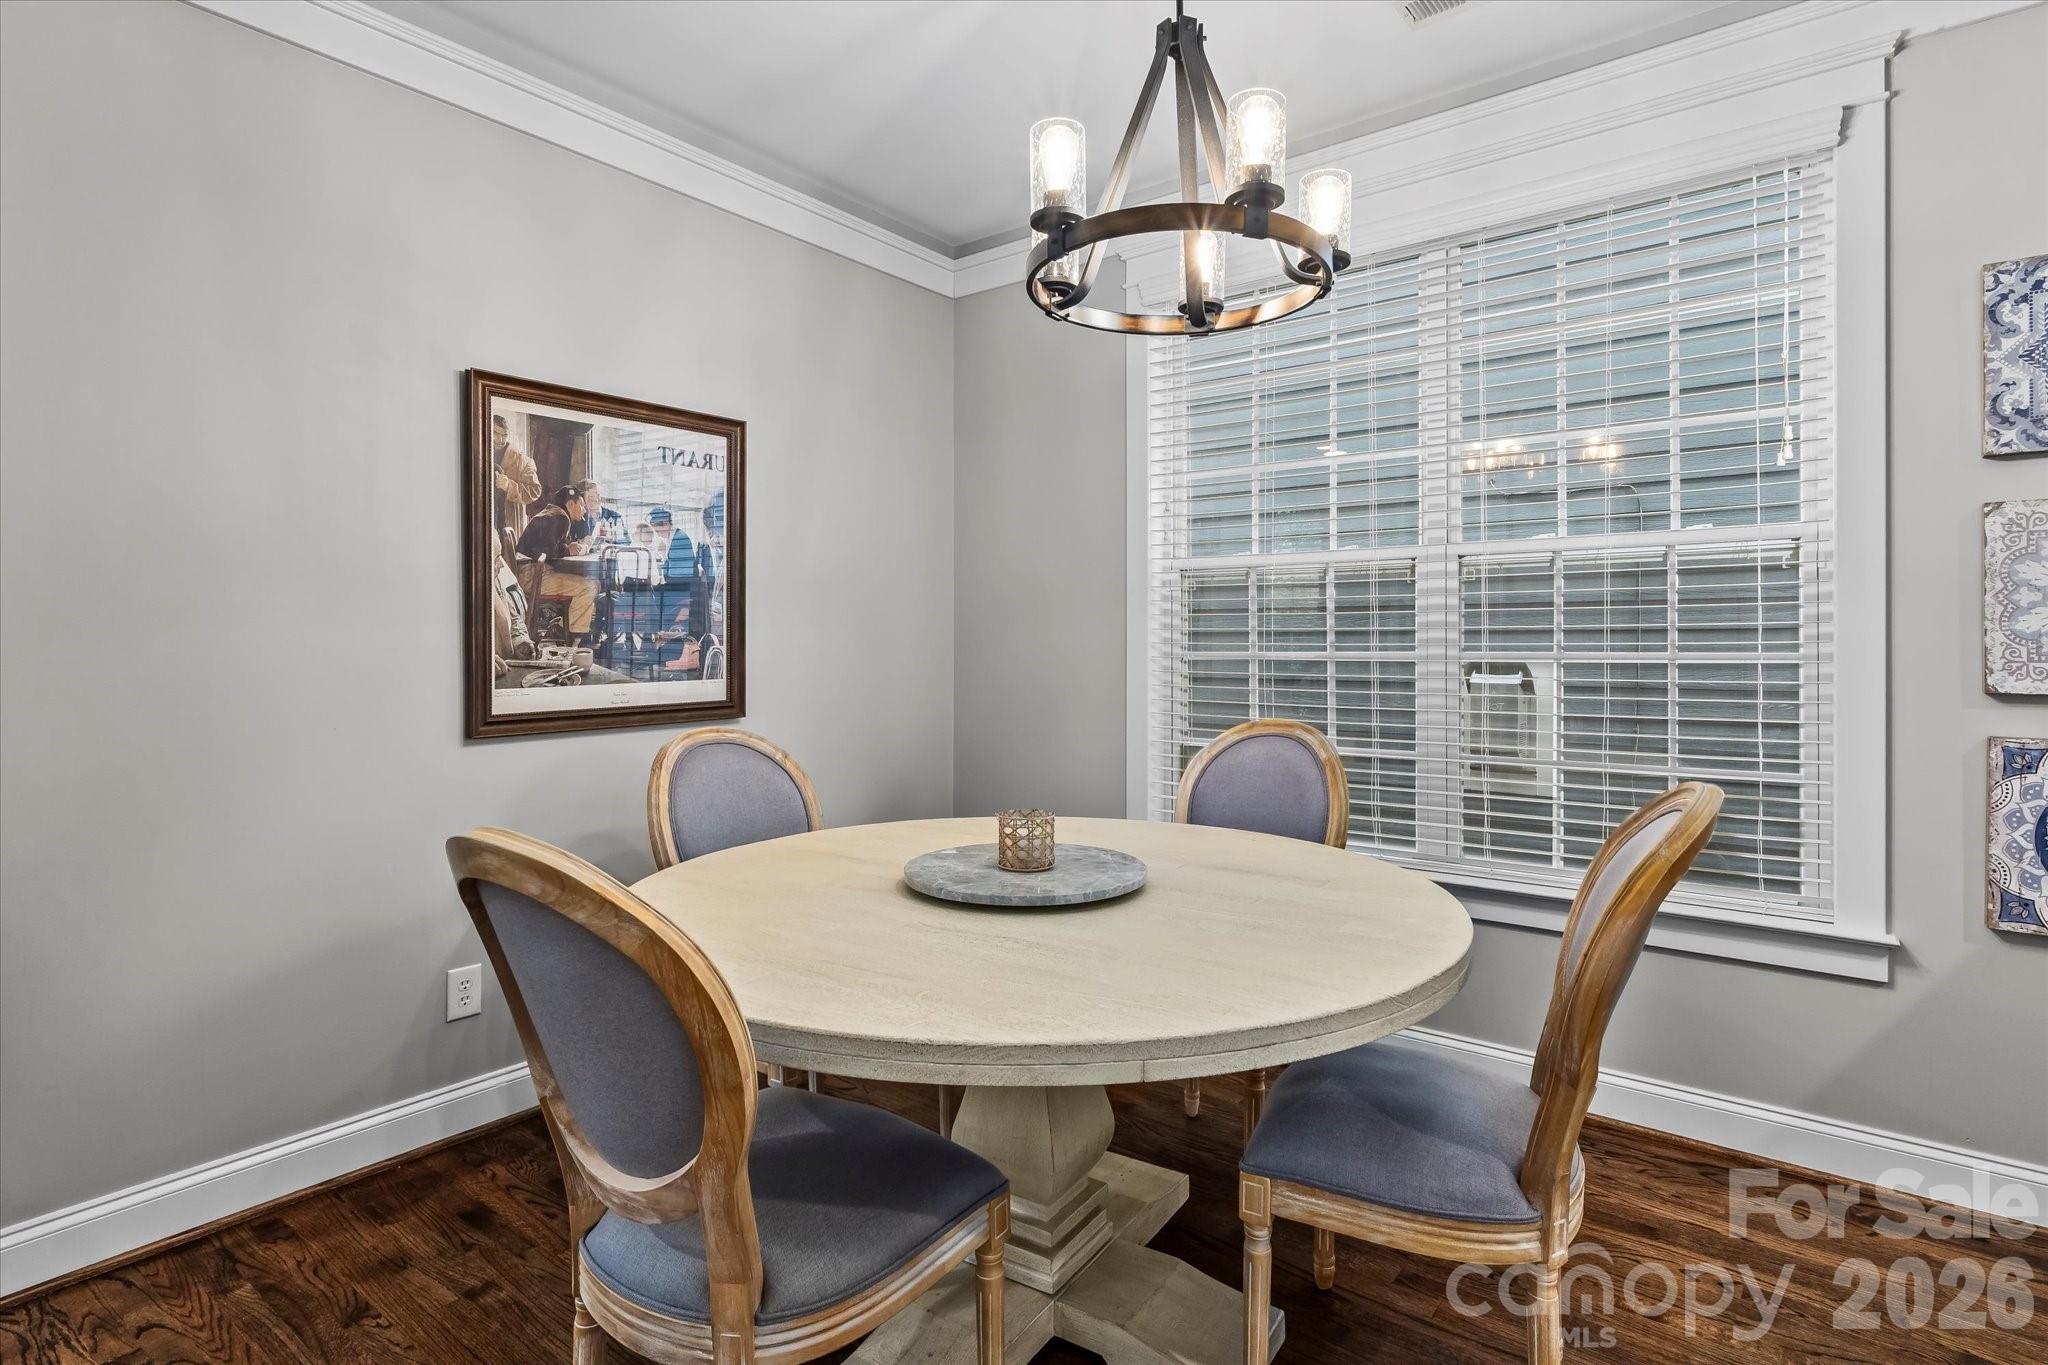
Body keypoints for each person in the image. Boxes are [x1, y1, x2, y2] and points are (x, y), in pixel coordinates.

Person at [515, 486, 597, 642]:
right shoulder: (560, 517)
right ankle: (575, 639)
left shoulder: (552, 513)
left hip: (530, 573)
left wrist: (568, 547)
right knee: (589, 586)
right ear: (571, 504)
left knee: (593, 584)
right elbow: (547, 551)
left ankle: (560, 627)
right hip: (534, 576)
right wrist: (569, 550)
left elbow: (548, 544)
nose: (584, 510)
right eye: (581, 505)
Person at [491, 414, 541, 541]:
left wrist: (509, 486)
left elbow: (535, 491)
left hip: (508, 526)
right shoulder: (477, 454)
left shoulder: (522, 460)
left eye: (504, 435)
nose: (500, 439)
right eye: (495, 433)